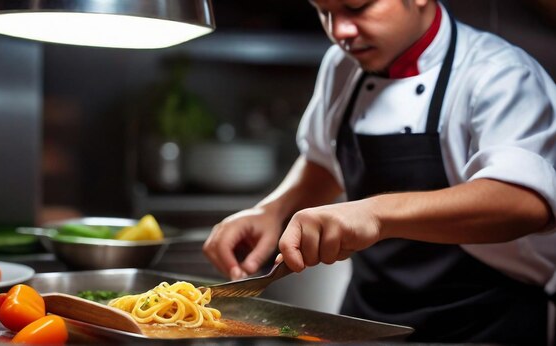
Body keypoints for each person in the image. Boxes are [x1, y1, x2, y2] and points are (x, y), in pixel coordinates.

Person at [202, 0, 556, 344]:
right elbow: (324, 160)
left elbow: (524, 202)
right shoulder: (342, 66)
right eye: (325, 12)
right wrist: (273, 210)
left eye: (357, 8)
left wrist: (374, 213)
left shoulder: (500, 73)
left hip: (481, 322)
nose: (340, 31)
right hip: (367, 319)